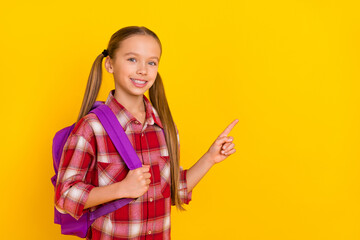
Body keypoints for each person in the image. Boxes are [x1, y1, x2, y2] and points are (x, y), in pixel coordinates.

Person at [54, 26, 238, 240]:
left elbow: (173, 191)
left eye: (151, 62)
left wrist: (209, 158)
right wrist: (122, 189)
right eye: (132, 59)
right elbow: (65, 197)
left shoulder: (165, 127)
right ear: (110, 64)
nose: (143, 70)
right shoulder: (92, 127)